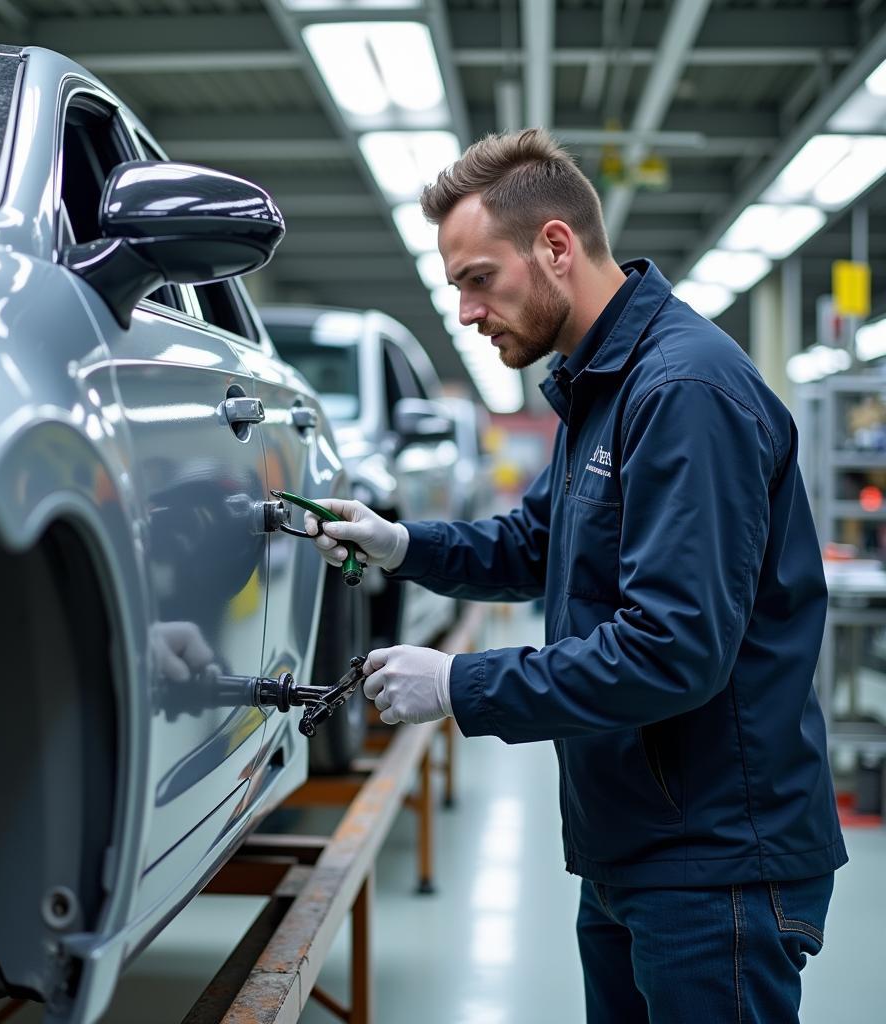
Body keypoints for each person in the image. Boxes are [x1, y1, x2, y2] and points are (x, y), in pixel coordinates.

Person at [304, 129, 847, 1023]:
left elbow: (672, 651)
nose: (469, 313)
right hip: (634, 843)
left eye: (480, 279)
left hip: (714, 867)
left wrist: (459, 683)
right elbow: (535, 545)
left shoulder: (683, 392)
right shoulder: (601, 387)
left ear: (555, 246)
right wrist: (402, 543)